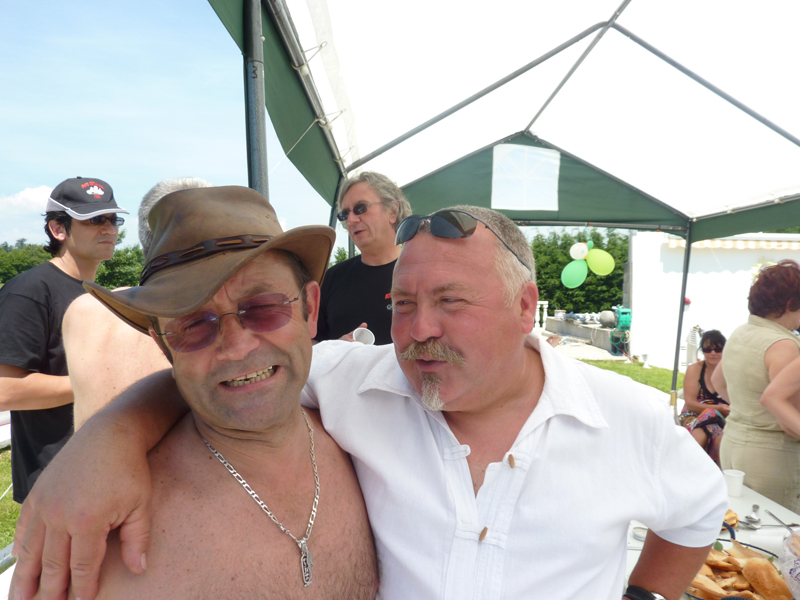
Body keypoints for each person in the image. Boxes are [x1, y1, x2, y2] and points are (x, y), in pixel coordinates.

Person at [12, 206, 726, 600]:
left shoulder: (625, 417)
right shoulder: (353, 380)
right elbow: (229, 375)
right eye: (402, 304)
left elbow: (697, 511)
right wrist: (108, 438)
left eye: (451, 302)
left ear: (524, 306)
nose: (419, 330)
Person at [22, 186, 379, 599]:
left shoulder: (369, 438)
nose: (237, 346)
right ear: (163, 346)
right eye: (193, 325)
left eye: (263, 306)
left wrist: (114, 431)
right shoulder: (111, 547)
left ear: (310, 309)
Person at [0, 176, 127, 502]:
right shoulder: (30, 291)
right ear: (58, 229)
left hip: (106, 471)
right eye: (94, 220)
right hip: (57, 485)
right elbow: (5, 390)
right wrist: (107, 383)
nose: (109, 229)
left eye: (112, 219)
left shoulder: (100, 295)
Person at [64, 178, 212, 429]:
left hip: (87, 450)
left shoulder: (83, 309)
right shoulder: (203, 319)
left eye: (113, 220)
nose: (108, 229)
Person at [713, 259, 800, 511]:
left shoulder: (741, 332)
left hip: (733, 442)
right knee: (779, 530)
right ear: (789, 304)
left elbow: (718, 382)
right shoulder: (784, 345)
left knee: (742, 524)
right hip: (772, 455)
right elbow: (790, 419)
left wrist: (749, 410)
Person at [314, 171, 411, 345]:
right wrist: (335, 348)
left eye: (361, 208)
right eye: (345, 214)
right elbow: (310, 342)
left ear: (393, 211)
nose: (351, 220)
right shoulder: (331, 278)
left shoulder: (422, 271)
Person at [679, 330, 728, 465]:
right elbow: (690, 404)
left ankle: (690, 465)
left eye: (718, 349)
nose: (713, 353)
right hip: (694, 415)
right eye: (707, 349)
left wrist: (719, 412)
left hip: (723, 418)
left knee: (718, 437)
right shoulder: (695, 370)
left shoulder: (731, 371)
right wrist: (717, 409)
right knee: (705, 428)